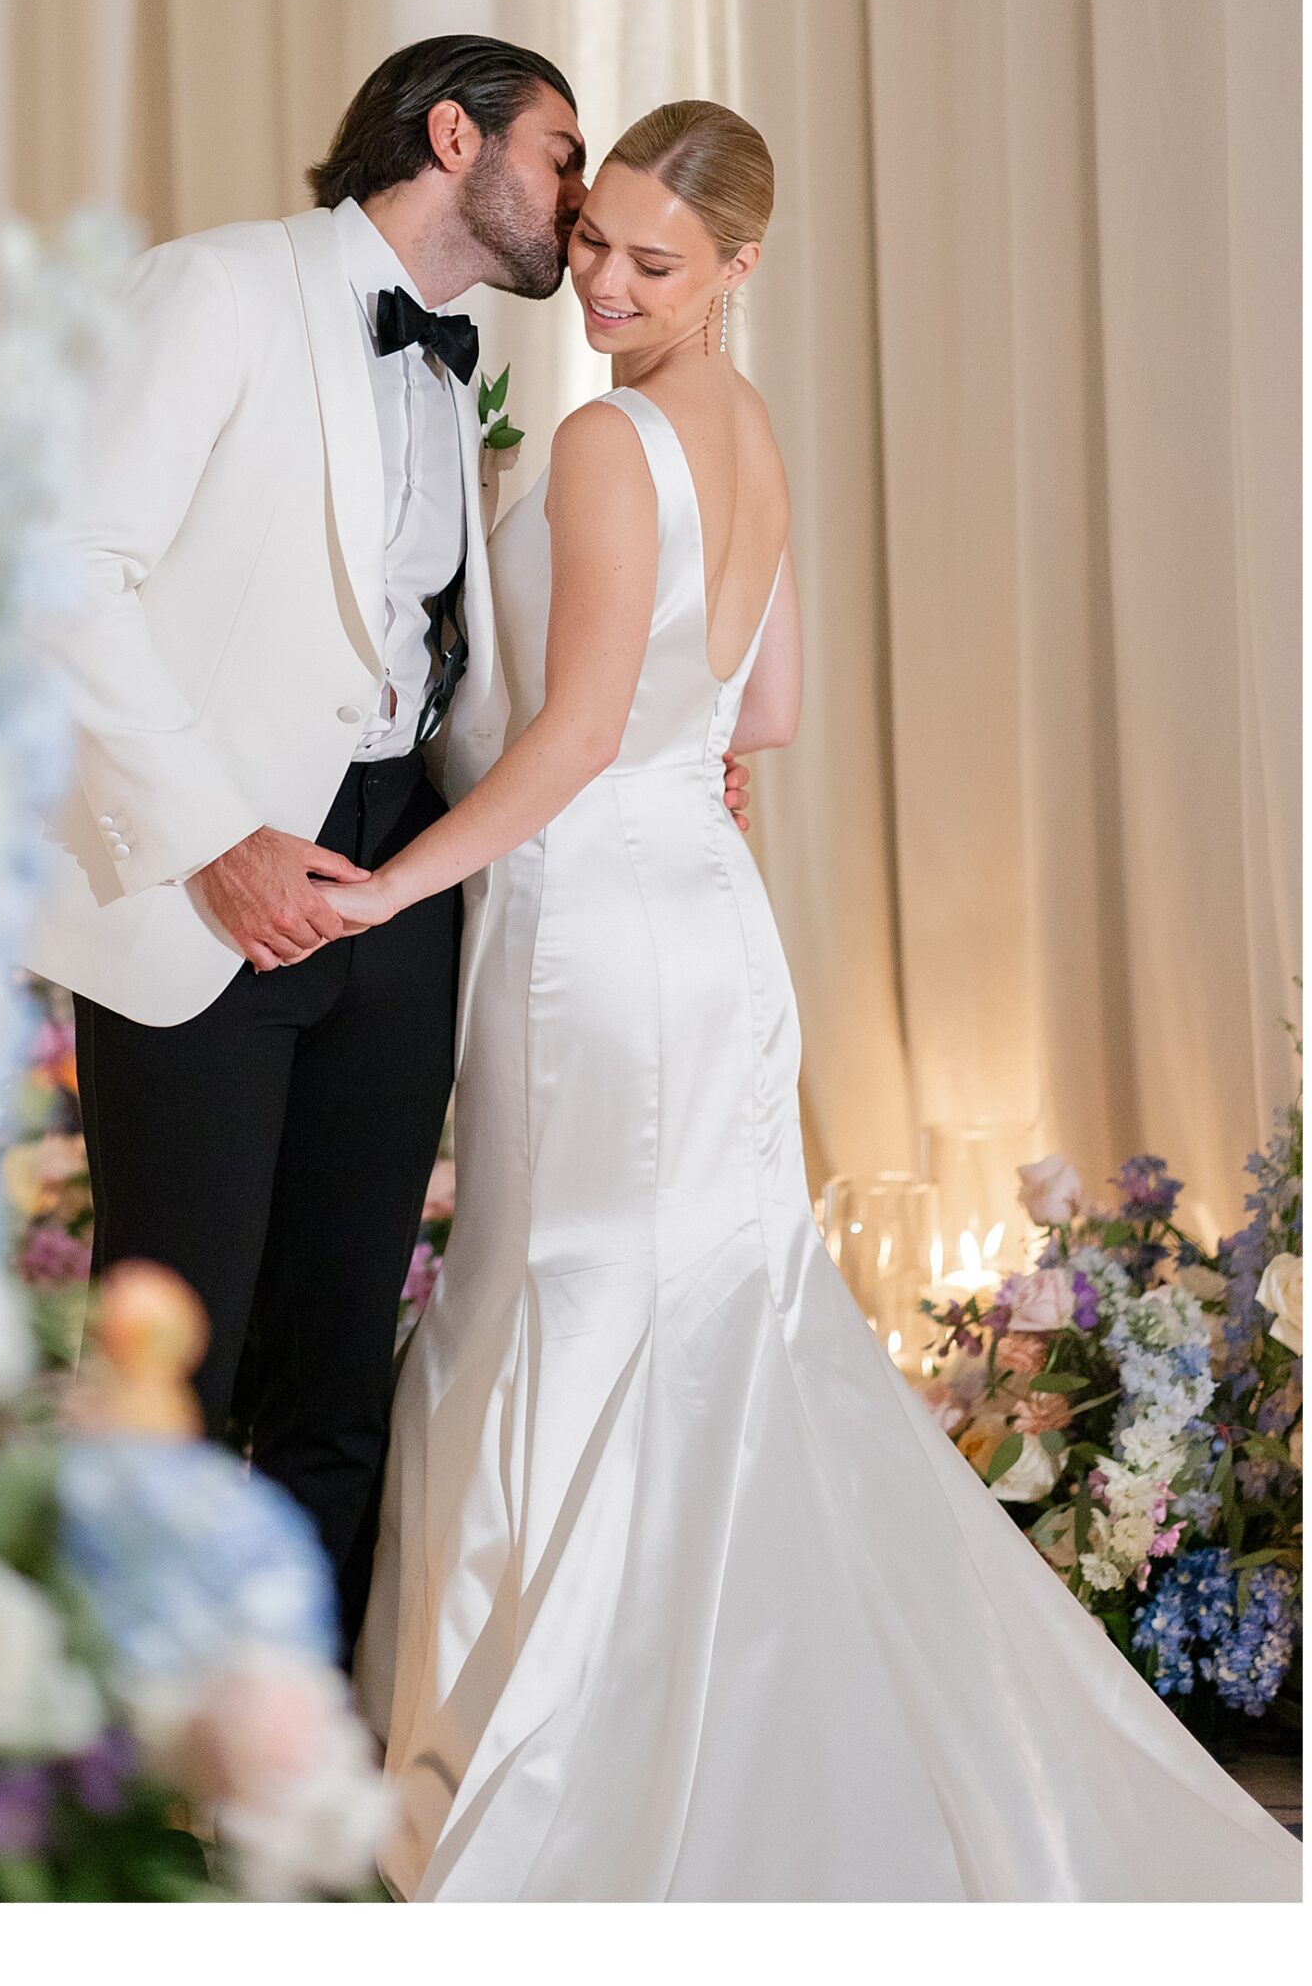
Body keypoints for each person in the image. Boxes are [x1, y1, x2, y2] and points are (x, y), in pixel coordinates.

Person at [316, 99, 1302, 1901]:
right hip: (704, 915)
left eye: (653, 263)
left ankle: (581, 1760)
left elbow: (578, 737)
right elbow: (758, 713)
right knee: (693, 1312)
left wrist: (388, 881)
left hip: (597, 939)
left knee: (578, 1298)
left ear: (738, 266)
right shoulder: (750, 422)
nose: (605, 285)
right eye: (594, 241)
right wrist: (668, 753)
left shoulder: (610, 438)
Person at [22, 36, 752, 1665]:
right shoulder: (217, 289)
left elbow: (450, 663)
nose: (581, 198)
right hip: (210, 888)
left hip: (403, 881)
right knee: (171, 1356)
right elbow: (65, 574)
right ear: (454, 138)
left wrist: (658, 760)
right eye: (562, 154)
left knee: (343, 1354)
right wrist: (217, 840)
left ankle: (296, 1746)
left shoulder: (459, 370)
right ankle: (118, 1756)